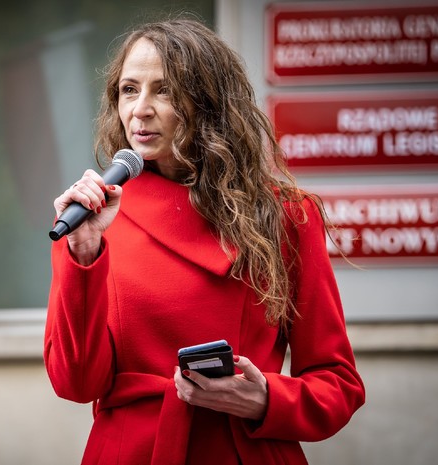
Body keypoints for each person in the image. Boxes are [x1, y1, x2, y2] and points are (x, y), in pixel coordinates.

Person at [44, 17, 365, 465]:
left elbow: (338, 383)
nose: (140, 109)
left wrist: (265, 399)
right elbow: (76, 384)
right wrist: (83, 251)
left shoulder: (284, 215)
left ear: (209, 102)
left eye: (165, 91)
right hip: (133, 452)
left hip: (243, 449)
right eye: (129, 90)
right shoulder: (91, 220)